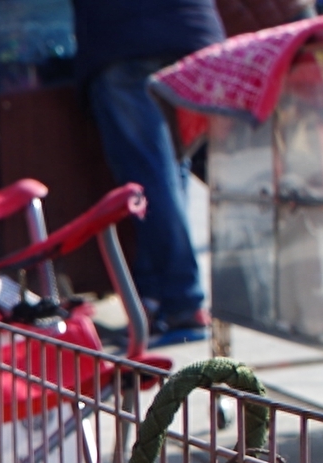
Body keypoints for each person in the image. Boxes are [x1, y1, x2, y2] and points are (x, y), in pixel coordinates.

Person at [73, 0, 223, 345]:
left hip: (125, 38)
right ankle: (153, 299)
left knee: (149, 176)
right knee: (168, 171)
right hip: (192, 30)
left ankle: (182, 301)